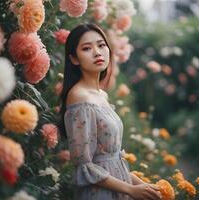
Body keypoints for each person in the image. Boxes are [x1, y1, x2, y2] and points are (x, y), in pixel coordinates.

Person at [59, 23, 162, 200]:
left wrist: (140, 186)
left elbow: (111, 160)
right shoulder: (78, 97)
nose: (97, 52)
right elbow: (85, 166)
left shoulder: (101, 96)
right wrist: (130, 190)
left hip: (119, 188)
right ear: (74, 59)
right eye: (86, 48)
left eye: (101, 45)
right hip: (99, 193)